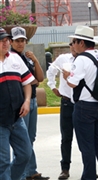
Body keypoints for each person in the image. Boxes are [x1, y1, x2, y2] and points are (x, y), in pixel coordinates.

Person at [63, 25, 98, 180]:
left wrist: (66, 75)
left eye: (74, 41)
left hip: (84, 107)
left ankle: (89, 176)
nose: (73, 45)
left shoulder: (81, 59)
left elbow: (72, 83)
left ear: (82, 43)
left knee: (87, 146)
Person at [10, 26, 49, 180]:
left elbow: (39, 79)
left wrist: (35, 60)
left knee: (30, 137)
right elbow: (30, 82)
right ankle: (22, 173)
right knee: (22, 139)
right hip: (22, 102)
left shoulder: (26, 57)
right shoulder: (11, 58)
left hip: (32, 100)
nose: (20, 43)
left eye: (23, 40)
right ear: (11, 41)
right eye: (17, 40)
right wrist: (32, 83)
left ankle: (31, 171)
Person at [0, 27, 35, 179]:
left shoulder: (15, 58)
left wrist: (27, 101)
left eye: (7, 40)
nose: (5, 43)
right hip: (0, 121)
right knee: (3, 162)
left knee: (25, 155)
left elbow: (27, 82)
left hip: (16, 118)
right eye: (1, 41)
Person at [46, 42, 77, 179]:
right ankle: (65, 169)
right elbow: (51, 71)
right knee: (66, 138)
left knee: (85, 139)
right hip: (66, 102)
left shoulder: (87, 60)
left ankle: (90, 168)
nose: (72, 46)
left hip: (82, 103)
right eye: (71, 44)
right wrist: (52, 86)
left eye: (75, 43)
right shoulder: (63, 59)